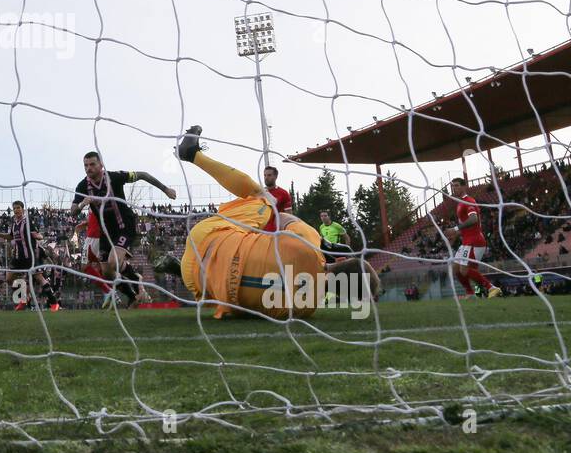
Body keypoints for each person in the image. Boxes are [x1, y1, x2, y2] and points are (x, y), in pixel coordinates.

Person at [160, 124, 379, 318]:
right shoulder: (304, 309)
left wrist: (322, 246)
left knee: (265, 198)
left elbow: (285, 218)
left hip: (207, 237)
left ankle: (192, 155)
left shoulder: (308, 244)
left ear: (341, 262)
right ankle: (179, 269)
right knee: (234, 285)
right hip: (198, 283)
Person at [72, 151, 176, 306]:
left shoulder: (115, 177)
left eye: (92, 164)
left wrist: (165, 189)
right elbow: (73, 210)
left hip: (124, 225)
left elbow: (142, 175)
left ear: (101, 165)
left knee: (113, 262)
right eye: (86, 165)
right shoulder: (82, 186)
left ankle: (136, 280)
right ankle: (133, 296)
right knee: (106, 272)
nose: (88, 168)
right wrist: (81, 204)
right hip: (105, 232)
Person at [445, 177, 502, 299]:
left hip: (475, 241)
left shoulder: (468, 201)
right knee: (456, 268)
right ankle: (471, 293)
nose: (454, 188)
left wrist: (455, 229)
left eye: (457, 185)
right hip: (466, 241)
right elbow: (466, 226)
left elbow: (474, 219)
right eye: (453, 186)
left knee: (464, 270)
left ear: (464, 186)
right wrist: (456, 235)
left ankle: (492, 288)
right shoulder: (460, 203)